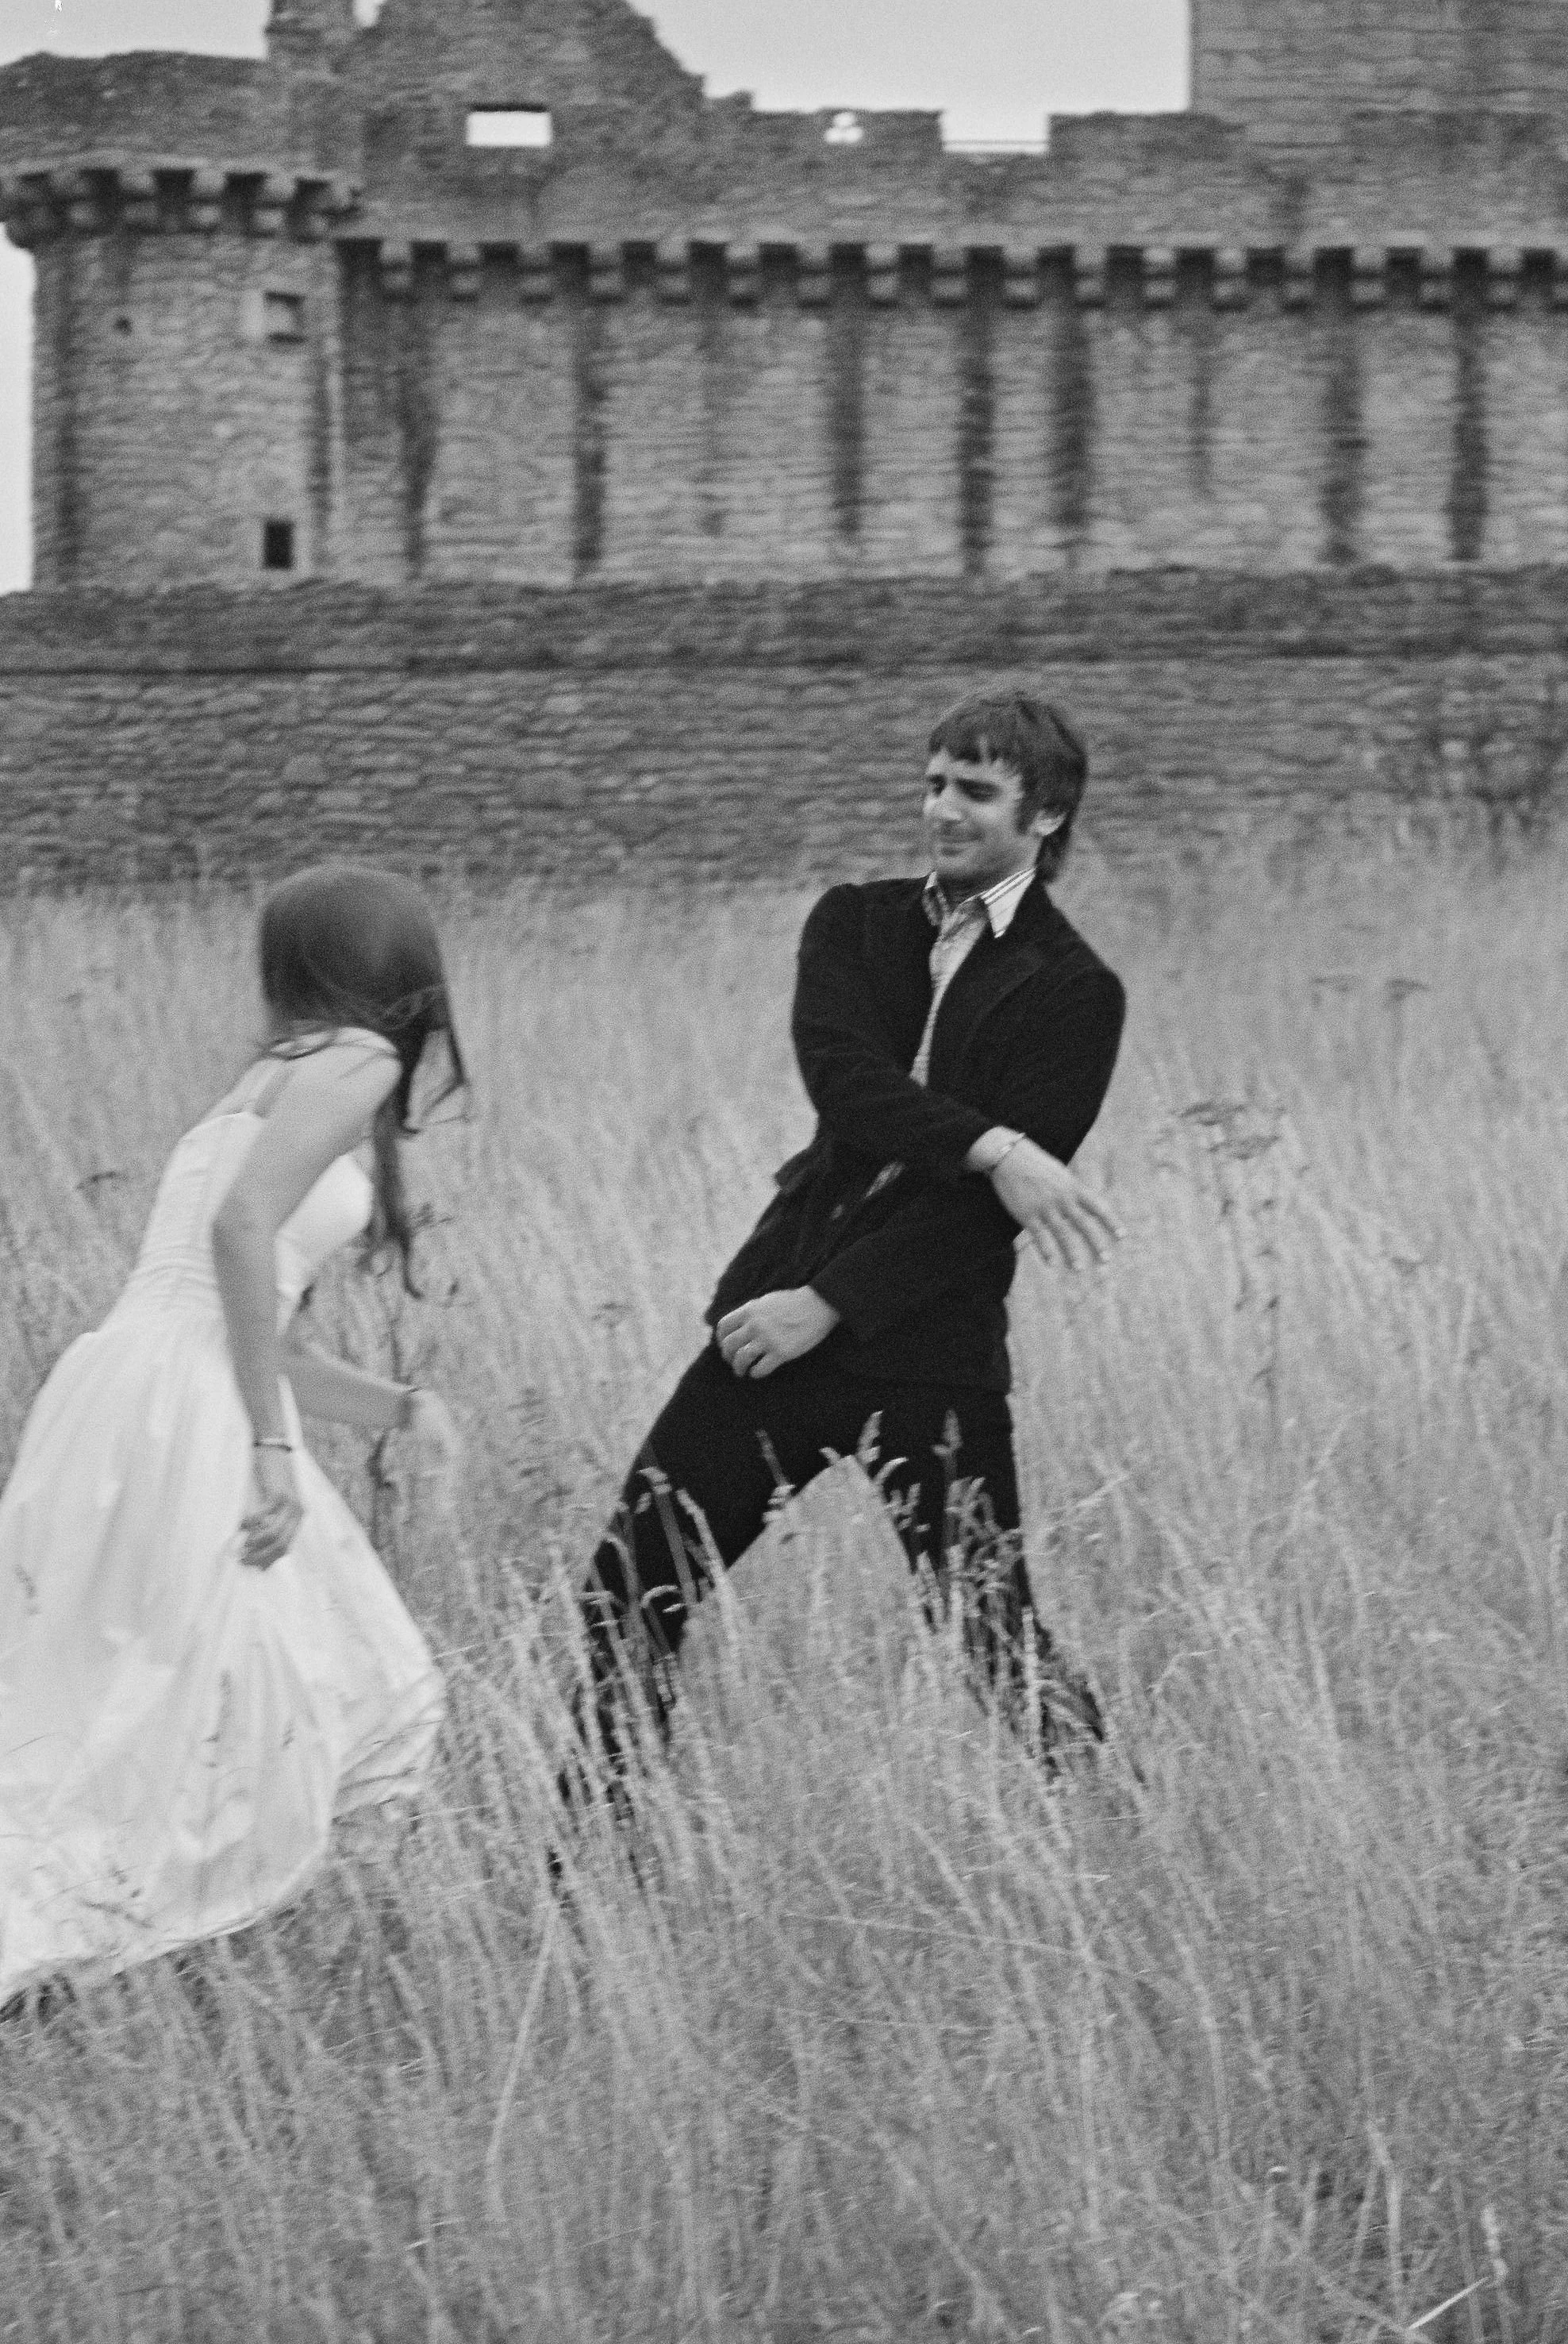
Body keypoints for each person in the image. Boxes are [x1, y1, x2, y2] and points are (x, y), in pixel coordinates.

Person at [575, 691, 1126, 1776]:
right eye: (933, 784)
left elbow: (975, 1223)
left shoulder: (1078, 991)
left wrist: (826, 1306)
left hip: (926, 1346)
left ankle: (1116, 1838)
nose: (942, 810)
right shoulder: (855, 923)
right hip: (769, 1325)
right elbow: (849, 1088)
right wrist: (997, 1147)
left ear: (1046, 815)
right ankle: (594, 1883)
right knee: (628, 1595)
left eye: (975, 791)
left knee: (988, 1634)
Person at [0, 864, 466, 2007]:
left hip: (132, 1388)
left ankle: (258, 1960)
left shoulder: (265, 1079)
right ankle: (272, 1965)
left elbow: (250, 1320)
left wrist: (401, 1411)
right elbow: (239, 1232)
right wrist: (268, 1450)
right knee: (361, 1684)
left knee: (129, 1710)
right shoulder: (356, 1059)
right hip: (187, 1412)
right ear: (392, 966)